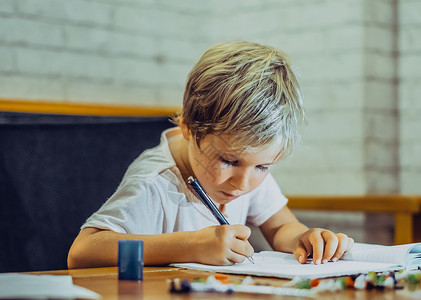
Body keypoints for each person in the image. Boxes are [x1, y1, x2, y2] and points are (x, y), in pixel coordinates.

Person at [67, 41, 354, 269]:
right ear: (189, 129)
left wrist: (304, 239)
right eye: (229, 161)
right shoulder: (156, 183)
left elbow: (280, 226)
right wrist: (190, 245)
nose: (243, 184)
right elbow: (82, 252)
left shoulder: (246, 167)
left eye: (264, 167)